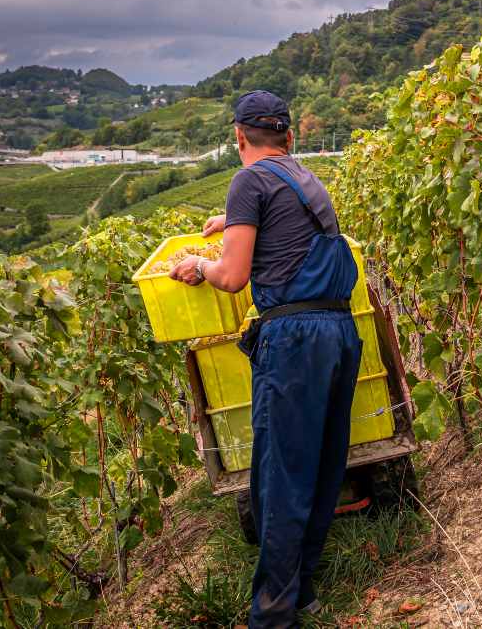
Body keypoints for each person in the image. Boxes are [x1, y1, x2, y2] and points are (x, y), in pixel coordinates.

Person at [169, 90, 362, 628]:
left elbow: (232, 277)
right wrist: (231, 221)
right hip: (339, 330)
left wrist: (199, 265)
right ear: (289, 137)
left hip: (294, 339)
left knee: (280, 476)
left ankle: (272, 617)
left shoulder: (248, 181)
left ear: (239, 137)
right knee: (322, 465)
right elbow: (285, 231)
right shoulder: (304, 176)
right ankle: (302, 592)